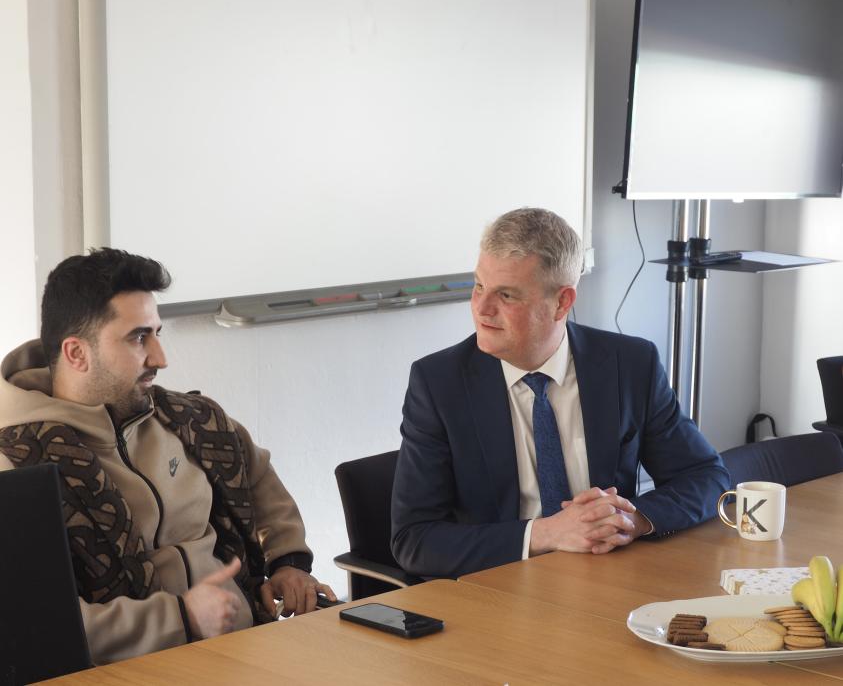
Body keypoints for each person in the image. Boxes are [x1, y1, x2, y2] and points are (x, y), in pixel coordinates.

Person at [0, 248, 335, 665]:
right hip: (139, 669)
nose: (160, 358)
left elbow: (259, 479)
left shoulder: (191, 420)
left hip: (248, 649)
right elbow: (30, 627)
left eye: (158, 333)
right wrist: (181, 618)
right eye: (139, 337)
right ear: (76, 353)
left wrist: (288, 563)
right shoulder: (14, 463)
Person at [391, 207, 730, 579]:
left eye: (506, 295)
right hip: (500, 589)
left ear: (562, 302)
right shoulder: (439, 383)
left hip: (606, 578)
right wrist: (546, 533)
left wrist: (632, 520)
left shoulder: (630, 364)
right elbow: (414, 540)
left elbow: (705, 476)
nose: (481, 309)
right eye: (478, 286)